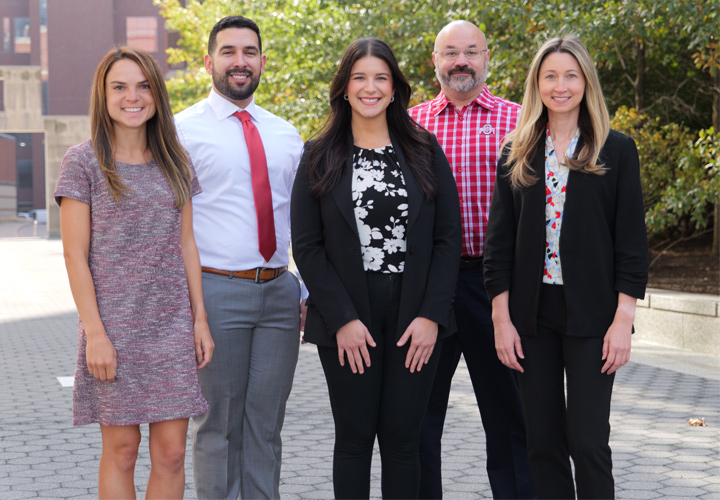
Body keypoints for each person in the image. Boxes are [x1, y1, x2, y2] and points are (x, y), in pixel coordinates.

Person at [291, 38, 462, 499]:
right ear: (344, 88)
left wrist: (431, 316)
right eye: (360, 77)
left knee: (404, 444)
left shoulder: (424, 149)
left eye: (381, 78)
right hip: (347, 315)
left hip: (414, 316)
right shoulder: (318, 153)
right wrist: (342, 320)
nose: (370, 87)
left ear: (394, 87)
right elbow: (307, 247)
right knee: (353, 441)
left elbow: (449, 239)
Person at [484, 35, 648, 499]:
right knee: (542, 443)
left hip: (594, 315)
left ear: (586, 83)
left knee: (588, 439)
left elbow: (632, 245)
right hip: (531, 316)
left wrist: (623, 321)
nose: (560, 86)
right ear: (537, 84)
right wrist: (501, 320)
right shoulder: (516, 151)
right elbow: (498, 246)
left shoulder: (615, 150)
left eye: (570, 76)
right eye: (550, 76)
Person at [55, 46, 213, 499]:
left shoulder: (175, 160)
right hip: (114, 329)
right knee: (123, 451)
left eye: (144, 86)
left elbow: (187, 243)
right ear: (102, 96)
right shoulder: (82, 163)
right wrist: (96, 334)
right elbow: (74, 256)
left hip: (171, 328)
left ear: (157, 95)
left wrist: (199, 318)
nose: (133, 97)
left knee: (171, 454)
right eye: (119, 87)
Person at [174, 15, 305, 500]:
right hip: (214, 291)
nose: (239, 61)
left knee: (266, 425)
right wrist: (189, 309)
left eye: (249, 52)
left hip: (279, 292)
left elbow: (299, 221)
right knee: (217, 425)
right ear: (209, 62)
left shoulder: (286, 133)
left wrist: (303, 287)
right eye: (228, 52)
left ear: (263, 62)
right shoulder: (179, 132)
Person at [408, 20, 534, 499]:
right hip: (426, 293)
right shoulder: (410, 124)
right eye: (450, 52)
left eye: (471, 51)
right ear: (435, 61)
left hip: (495, 288)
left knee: (511, 418)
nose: (461, 61)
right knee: (417, 421)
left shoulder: (520, 121)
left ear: (487, 58)